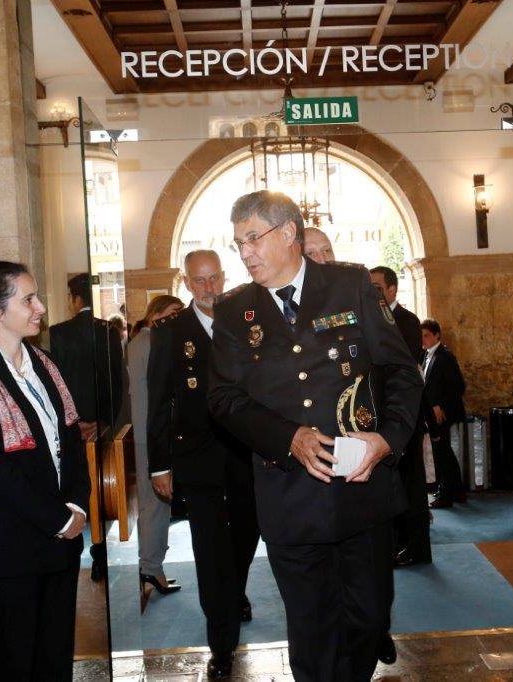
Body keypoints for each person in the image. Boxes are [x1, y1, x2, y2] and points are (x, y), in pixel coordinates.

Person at [208, 190, 422, 682]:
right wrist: (290, 439)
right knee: (312, 631)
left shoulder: (350, 285)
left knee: (368, 619)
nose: (245, 254)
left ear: (289, 234)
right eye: (238, 242)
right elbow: (224, 400)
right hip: (290, 497)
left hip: (361, 490)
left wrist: (388, 440)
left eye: (253, 239)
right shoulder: (235, 312)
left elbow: (401, 373)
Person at [0, 261, 90, 682]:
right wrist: (58, 518)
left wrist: (77, 505)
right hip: (13, 548)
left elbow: (73, 440)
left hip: (62, 545)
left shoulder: (43, 363)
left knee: (55, 661)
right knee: (13, 666)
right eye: (28, 299)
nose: (40, 307)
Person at [148, 251, 260, 678]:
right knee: (210, 551)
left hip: (248, 455)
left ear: (224, 277)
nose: (210, 289)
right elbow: (159, 402)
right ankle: (222, 642)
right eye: (200, 281)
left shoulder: (247, 322)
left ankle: (235, 591)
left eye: (215, 279)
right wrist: (160, 464)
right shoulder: (171, 333)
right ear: (187, 283)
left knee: (247, 537)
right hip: (199, 459)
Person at [49, 272, 123, 581]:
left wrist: (70, 423)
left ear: (75, 299)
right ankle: (100, 554)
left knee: (77, 487)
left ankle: (79, 544)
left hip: (69, 427)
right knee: (103, 492)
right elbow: (116, 381)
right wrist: (103, 420)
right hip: (99, 424)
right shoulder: (108, 332)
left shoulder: (56, 333)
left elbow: (55, 384)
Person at [369, 266, 430, 569]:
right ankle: (398, 543)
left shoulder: (406, 321)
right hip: (383, 415)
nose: (374, 292)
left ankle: (417, 546)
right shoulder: (376, 317)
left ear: (392, 289)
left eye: (378, 287)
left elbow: (399, 369)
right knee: (394, 482)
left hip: (405, 414)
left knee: (412, 481)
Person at [126, 294, 184, 612]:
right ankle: (150, 569)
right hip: (152, 435)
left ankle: (153, 568)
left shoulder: (139, 341)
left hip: (148, 432)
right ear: (155, 314)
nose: (177, 320)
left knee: (155, 506)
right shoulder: (149, 342)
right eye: (172, 314)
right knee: (154, 506)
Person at [420, 319, 467, 509]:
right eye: (421, 336)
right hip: (432, 414)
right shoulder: (425, 356)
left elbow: (457, 387)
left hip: (443, 413)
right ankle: (456, 490)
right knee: (443, 452)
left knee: (442, 453)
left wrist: (441, 406)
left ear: (437, 335)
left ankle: (447, 495)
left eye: (426, 335)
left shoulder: (445, 356)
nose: (423, 339)